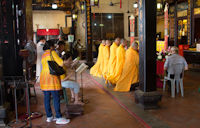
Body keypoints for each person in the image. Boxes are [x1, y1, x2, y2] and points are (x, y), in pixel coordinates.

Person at [40, 40, 70, 125]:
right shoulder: (52, 53)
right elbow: (60, 63)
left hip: (44, 77)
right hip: (51, 77)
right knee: (56, 97)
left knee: (47, 98)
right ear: (51, 46)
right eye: (54, 46)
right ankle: (59, 117)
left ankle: (49, 117)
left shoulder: (44, 54)